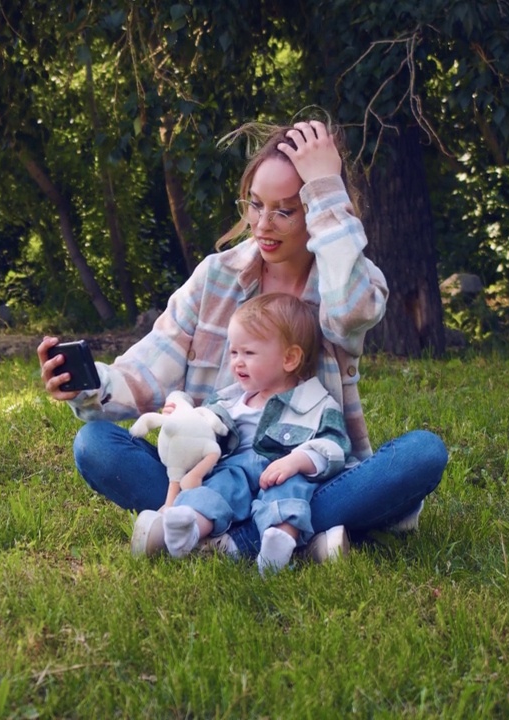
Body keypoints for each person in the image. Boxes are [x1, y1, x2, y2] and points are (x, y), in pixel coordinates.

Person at [37, 119, 447, 560]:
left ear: (314, 210)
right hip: (210, 468)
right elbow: (147, 371)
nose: (262, 224)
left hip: (303, 477)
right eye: (255, 205)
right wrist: (90, 384)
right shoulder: (218, 275)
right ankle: (292, 540)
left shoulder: (345, 282)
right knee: (94, 444)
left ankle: (215, 535)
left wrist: (327, 186)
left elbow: (353, 312)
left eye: (284, 211)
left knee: (422, 453)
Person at [151, 293, 352, 576]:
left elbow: (335, 446)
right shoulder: (229, 400)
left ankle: (278, 542)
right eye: (234, 352)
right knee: (217, 489)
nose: (237, 362)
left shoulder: (316, 403)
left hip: (281, 473)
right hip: (235, 472)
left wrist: (297, 461)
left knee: (289, 494)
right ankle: (189, 527)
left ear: (290, 358)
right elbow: (201, 431)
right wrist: (182, 415)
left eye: (249, 353)